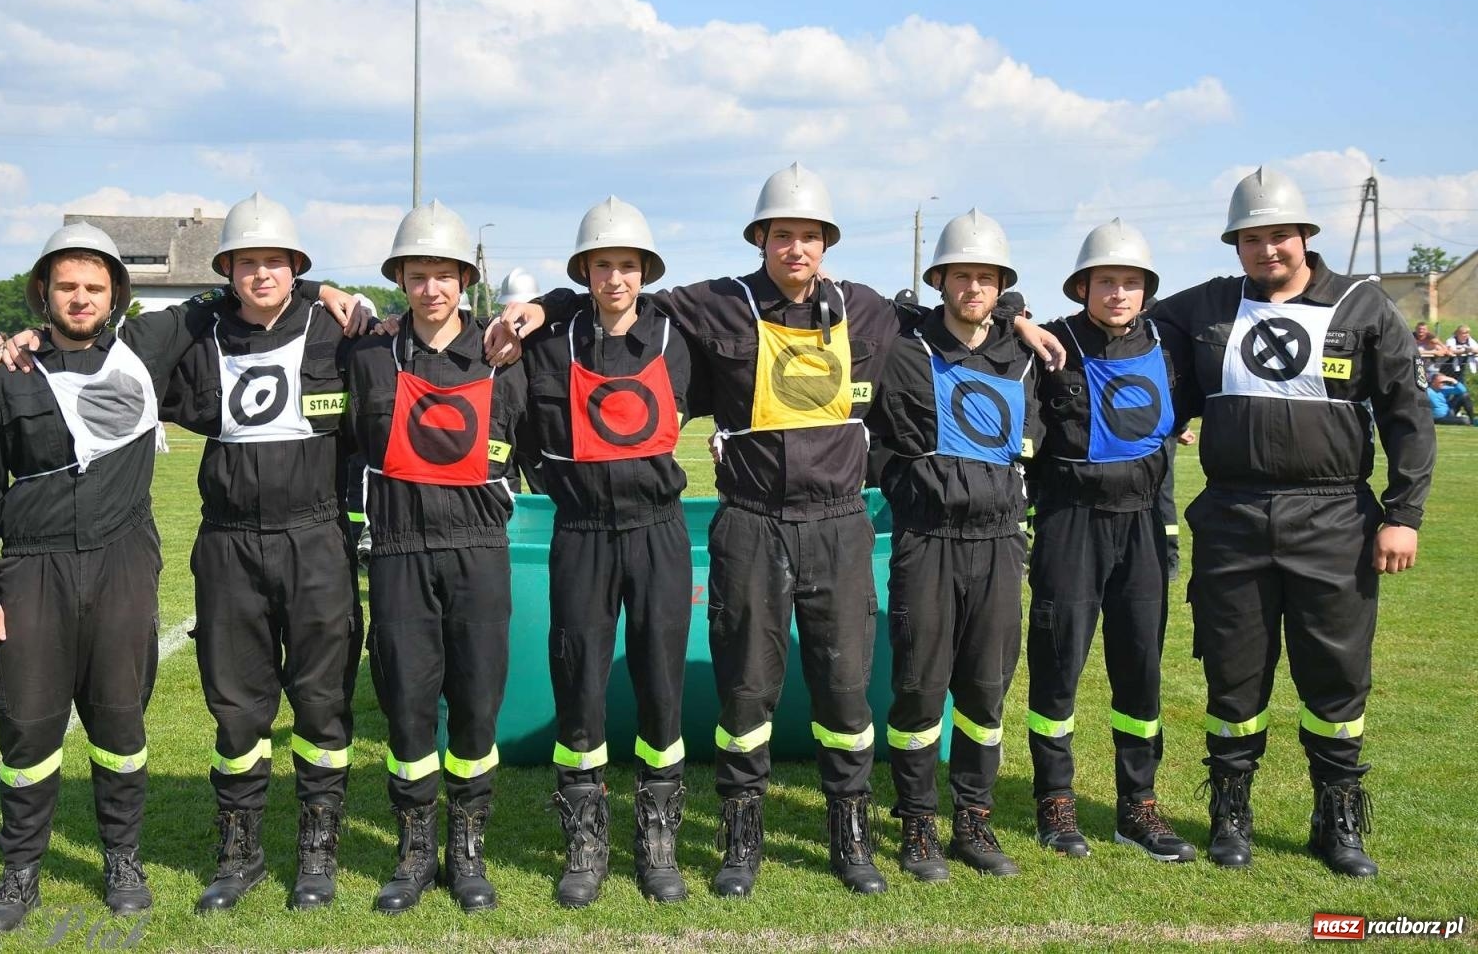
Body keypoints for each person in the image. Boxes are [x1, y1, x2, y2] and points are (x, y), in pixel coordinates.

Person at [495, 165, 1063, 899]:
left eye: (810, 236)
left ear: (826, 244)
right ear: (761, 238)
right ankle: (740, 838)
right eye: (783, 235)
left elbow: (955, 314)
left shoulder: (865, 309)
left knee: (845, 688)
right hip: (751, 525)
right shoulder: (716, 306)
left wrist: (1016, 312)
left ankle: (851, 835)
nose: (797, 248)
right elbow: (622, 295)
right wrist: (543, 304)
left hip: (838, 525)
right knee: (746, 689)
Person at [1152, 166, 1435, 877]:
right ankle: (1231, 813)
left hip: (1335, 516)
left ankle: (1336, 818)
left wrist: (1402, 514)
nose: (1266, 249)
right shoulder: (1206, 307)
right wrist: (1018, 316)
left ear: (1305, 235)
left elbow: (1407, 415)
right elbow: (1113, 314)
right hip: (1233, 514)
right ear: (1235, 244)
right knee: (1234, 677)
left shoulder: (1363, 306)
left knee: (1335, 677)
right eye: (1250, 238)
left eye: (1278, 235)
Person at [0, 224, 228, 939]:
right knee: (28, 724)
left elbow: (238, 288)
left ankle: (122, 860)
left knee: (119, 722)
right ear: (44, 292)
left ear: (115, 296)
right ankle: (20, 872)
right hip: (33, 568)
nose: (80, 298)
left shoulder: (144, 350)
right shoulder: (6, 378)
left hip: (123, 560)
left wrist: (328, 293)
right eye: (66, 286)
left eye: (94, 287)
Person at [159, 193, 365, 913]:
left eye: (276, 261)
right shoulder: (197, 336)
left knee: (320, 700)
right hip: (228, 544)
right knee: (239, 708)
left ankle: (317, 848)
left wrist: (327, 292)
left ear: (297, 267)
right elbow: (119, 352)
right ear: (227, 270)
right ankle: (240, 850)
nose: (262, 273)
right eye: (248, 262)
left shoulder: (337, 330)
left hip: (317, 539)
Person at [516, 198, 700, 907]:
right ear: (585, 271)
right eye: (602, 265)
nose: (615, 277)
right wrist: (544, 302)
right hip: (582, 533)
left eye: (627, 264)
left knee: (661, 686)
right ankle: (586, 844)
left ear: (645, 271)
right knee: (580, 686)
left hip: (658, 531)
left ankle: (657, 844)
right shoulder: (550, 338)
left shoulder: (678, 336)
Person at [345, 200, 528, 915]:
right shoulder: (368, 355)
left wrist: (534, 313)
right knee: (406, 708)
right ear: (400, 281)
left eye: (445, 276)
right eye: (417, 277)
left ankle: (469, 849)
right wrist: (327, 291)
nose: (431, 291)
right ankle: (416, 849)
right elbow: (273, 304)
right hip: (397, 552)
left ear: (465, 280)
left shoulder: (501, 356)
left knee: (477, 709)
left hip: (478, 553)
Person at [867, 210, 1042, 881]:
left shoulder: (1024, 355)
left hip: (1000, 542)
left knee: (985, 690)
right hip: (927, 540)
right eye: (962, 274)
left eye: (987, 276)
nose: (974, 286)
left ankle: (973, 818)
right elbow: (863, 430)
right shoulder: (900, 345)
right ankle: (917, 821)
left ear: (1001, 286)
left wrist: (1023, 316)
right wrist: (898, 474)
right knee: (918, 689)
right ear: (939, 279)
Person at [1023, 219, 1195, 864]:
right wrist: (1015, 313)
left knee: (1140, 671)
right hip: (1070, 521)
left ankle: (1138, 805)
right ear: (1082, 286)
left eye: (1130, 282)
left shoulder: (1169, 347)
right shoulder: (1050, 344)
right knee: (1058, 664)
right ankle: (1055, 800)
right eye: (1105, 282)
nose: (1118, 293)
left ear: (1146, 290)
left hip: (1144, 524)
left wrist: (1170, 534)